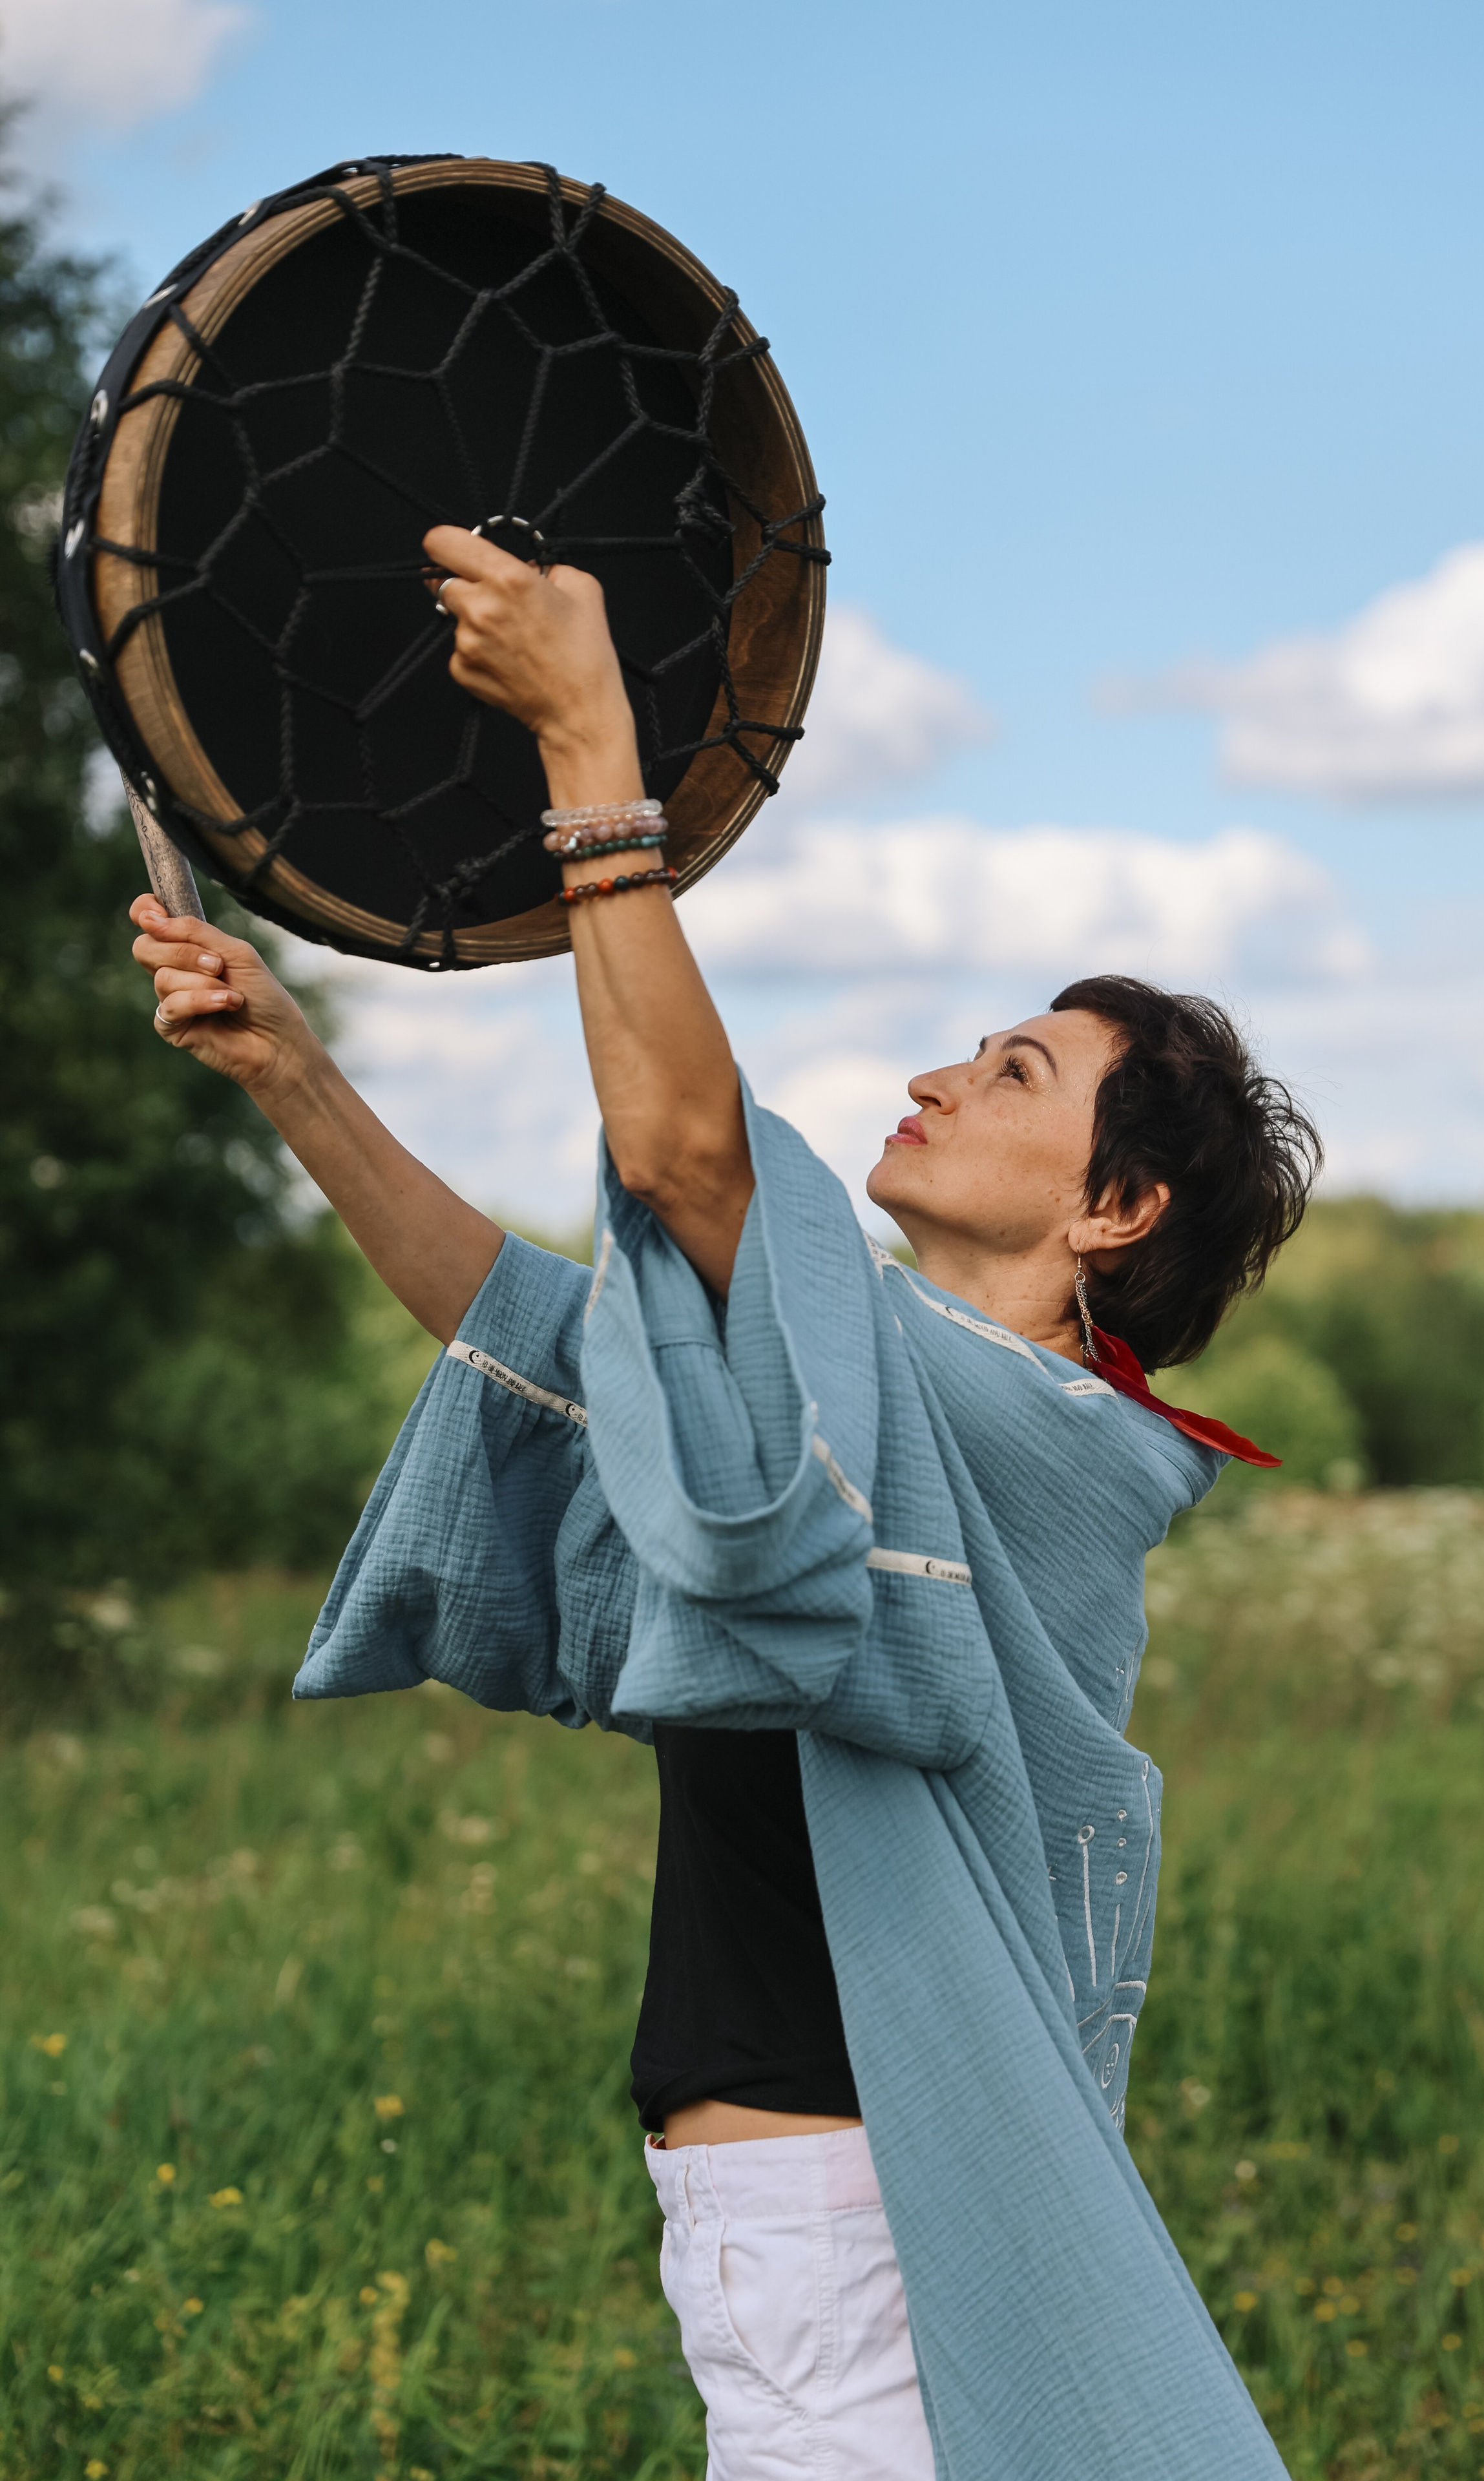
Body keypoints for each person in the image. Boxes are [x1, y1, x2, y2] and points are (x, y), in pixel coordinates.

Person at [129, 529, 1319, 2481]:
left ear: (1116, 1211)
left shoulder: (1028, 1436)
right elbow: (538, 1336)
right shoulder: (891, 1395)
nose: (941, 1074)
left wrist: (592, 755)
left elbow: (688, 1155)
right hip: (812, 2213)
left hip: (854, 2217)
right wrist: (290, 1072)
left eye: (1016, 1072)